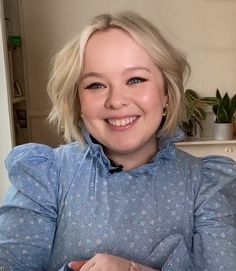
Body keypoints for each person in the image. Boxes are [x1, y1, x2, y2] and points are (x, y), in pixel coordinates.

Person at [0, 11, 236, 271]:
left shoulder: (207, 185)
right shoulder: (46, 176)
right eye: (96, 85)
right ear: (78, 101)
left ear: (167, 92)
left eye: (135, 80)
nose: (116, 100)